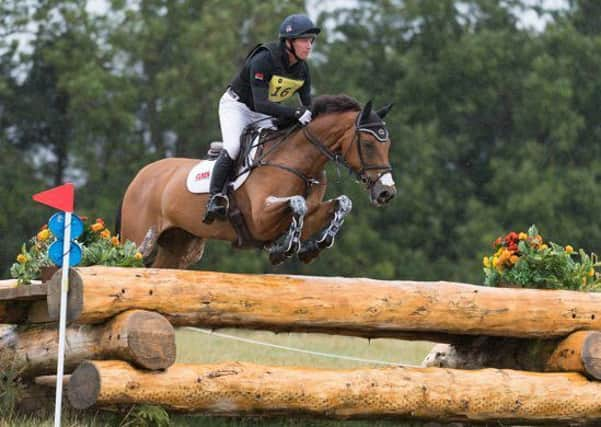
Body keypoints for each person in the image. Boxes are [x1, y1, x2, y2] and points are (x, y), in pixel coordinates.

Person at [203, 13, 320, 224]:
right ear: (289, 42)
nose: (309, 45)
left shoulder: (302, 69)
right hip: (237, 106)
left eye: (311, 40)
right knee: (234, 148)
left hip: (265, 112)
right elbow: (261, 104)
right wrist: (295, 114)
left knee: (281, 145)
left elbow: (307, 106)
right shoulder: (264, 59)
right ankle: (215, 198)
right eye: (304, 40)